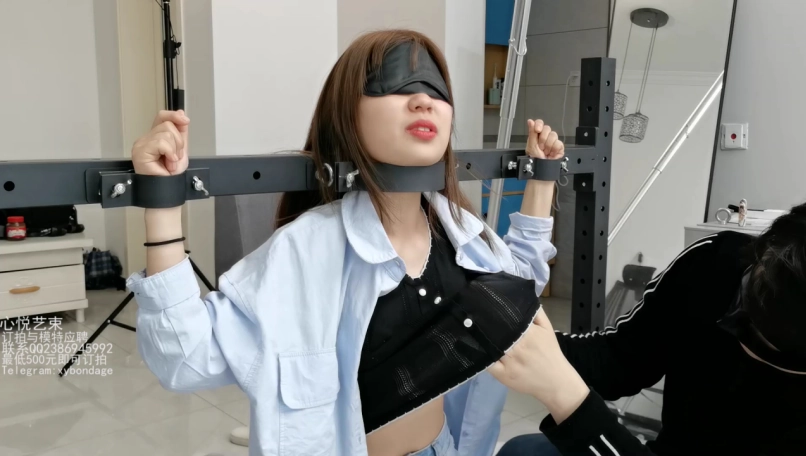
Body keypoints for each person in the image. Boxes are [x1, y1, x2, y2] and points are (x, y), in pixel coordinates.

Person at [127, 29, 565, 456]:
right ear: (347, 113)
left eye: (435, 89)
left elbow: (520, 291)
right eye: (394, 84)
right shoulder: (306, 250)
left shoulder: (462, 233)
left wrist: (542, 177)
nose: (422, 100)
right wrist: (162, 202)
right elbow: (185, 357)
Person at [490, 203, 806, 456]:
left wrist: (564, 395)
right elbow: (620, 359)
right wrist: (523, 337)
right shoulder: (719, 262)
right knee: (521, 451)